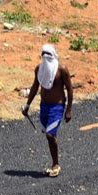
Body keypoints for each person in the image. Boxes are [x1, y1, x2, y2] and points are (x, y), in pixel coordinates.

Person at [22, 44, 73, 177]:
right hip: (44, 106)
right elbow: (35, 86)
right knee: (50, 136)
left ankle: (56, 164)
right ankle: (54, 160)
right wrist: (27, 105)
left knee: (49, 135)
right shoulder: (40, 69)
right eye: (43, 55)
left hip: (57, 107)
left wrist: (69, 110)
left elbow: (69, 88)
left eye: (48, 55)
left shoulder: (62, 70)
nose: (46, 57)